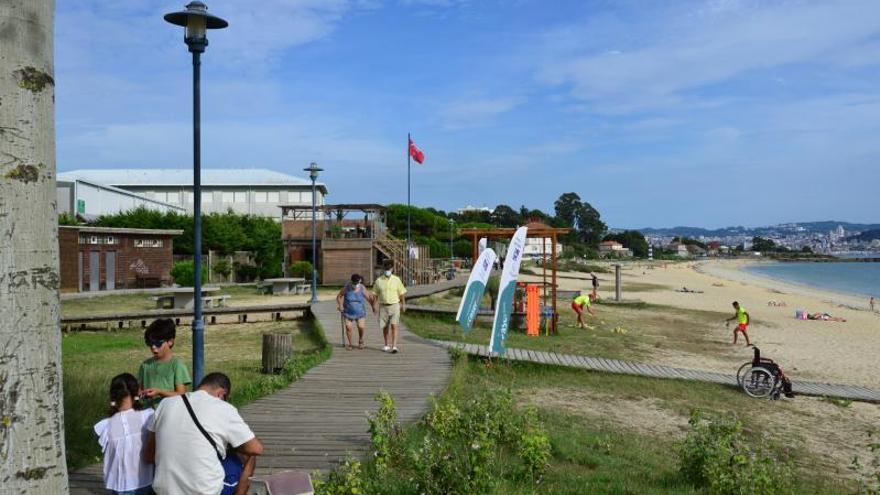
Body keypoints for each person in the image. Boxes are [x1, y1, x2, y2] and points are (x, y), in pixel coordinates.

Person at [146, 372, 263, 495]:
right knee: (250, 455)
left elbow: (149, 454)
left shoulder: (165, 404)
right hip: (203, 490)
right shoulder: (223, 408)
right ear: (221, 394)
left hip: (165, 490)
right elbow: (256, 448)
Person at [94, 373, 155, 495]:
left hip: (120, 485)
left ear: (113, 395)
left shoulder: (106, 425)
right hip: (147, 481)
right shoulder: (148, 416)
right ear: (137, 392)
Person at [138, 318, 191, 409]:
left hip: (170, 417)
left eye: (158, 343)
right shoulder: (145, 366)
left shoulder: (177, 366)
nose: (153, 347)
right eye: (150, 344)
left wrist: (160, 392)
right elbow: (139, 390)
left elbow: (182, 396)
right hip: (150, 417)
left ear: (170, 341)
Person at [373, 259, 407, 353]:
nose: (387, 270)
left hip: (395, 305)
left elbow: (402, 293)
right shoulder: (379, 281)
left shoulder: (397, 279)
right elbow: (375, 294)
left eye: (389, 268)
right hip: (383, 306)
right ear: (383, 269)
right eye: (386, 268)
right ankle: (386, 344)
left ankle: (394, 346)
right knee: (385, 326)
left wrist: (403, 304)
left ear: (392, 269)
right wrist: (374, 305)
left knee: (394, 325)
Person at [336, 273, 377, 350]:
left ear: (359, 281)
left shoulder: (362, 288)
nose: (355, 284)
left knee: (361, 327)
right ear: (351, 281)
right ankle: (350, 344)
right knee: (348, 327)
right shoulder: (346, 287)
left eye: (357, 283)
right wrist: (340, 305)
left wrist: (373, 307)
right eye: (354, 283)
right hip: (348, 312)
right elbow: (339, 297)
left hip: (360, 312)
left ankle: (361, 340)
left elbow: (369, 298)